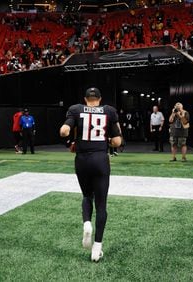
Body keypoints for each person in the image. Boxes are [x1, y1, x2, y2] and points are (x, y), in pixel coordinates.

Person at [59, 87, 122, 262]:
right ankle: (97, 247)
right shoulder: (109, 111)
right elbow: (117, 141)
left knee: (87, 196)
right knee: (101, 205)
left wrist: (70, 138)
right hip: (101, 160)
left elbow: (64, 131)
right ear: (99, 99)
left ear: (85, 99)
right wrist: (107, 139)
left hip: (82, 160)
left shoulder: (76, 109)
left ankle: (87, 223)